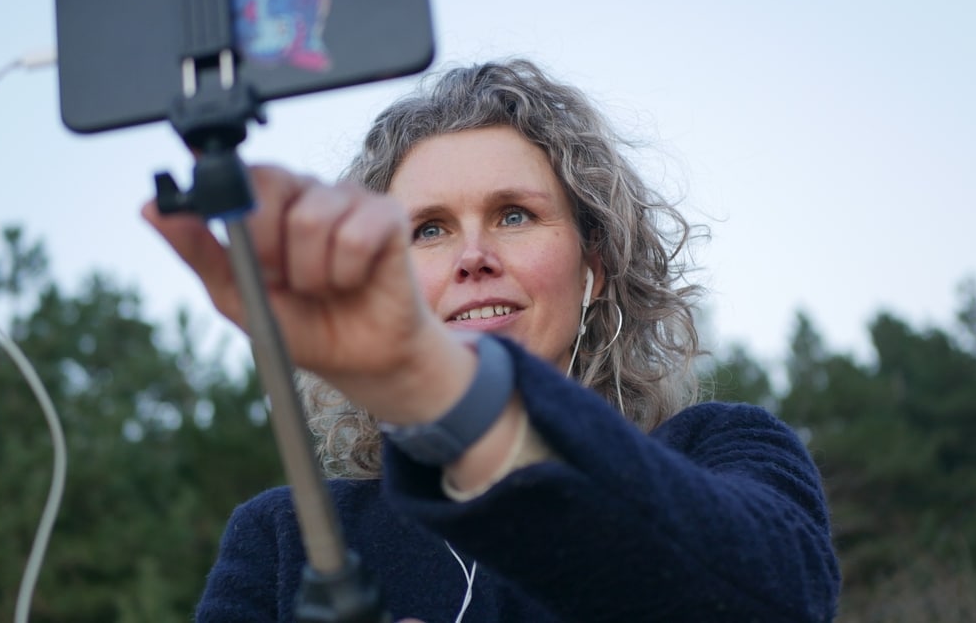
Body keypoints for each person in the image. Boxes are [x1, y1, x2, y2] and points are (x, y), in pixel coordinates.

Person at [143, 59, 841, 622]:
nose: (472, 256)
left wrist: (438, 387)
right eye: (429, 229)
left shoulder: (725, 451)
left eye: (513, 215)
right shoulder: (284, 539)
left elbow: (778, 599)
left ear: (594, 267)